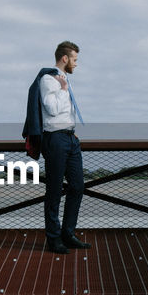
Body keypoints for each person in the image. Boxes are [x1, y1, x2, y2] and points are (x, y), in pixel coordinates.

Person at [38, 41, 90, 254]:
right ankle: (54, 238)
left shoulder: (62, 80)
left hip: (70, 138)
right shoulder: (49, 79)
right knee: (54, 190)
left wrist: (71, 130)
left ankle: (68, 234)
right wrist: (63, 90)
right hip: (55, 139)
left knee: (78, 186)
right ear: (65, 58)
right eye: (75, 59)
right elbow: (51, 109)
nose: (77, 64)